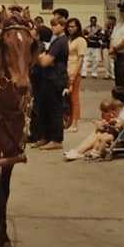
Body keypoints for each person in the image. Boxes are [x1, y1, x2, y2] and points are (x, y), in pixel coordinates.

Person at [32, 15, 68, 150]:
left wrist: (41, 57)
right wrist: (43, 57)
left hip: (56, 79)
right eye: (52, 24)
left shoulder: (61, 42)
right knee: (44, 109)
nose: (53, 27)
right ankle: (46, 136)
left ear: (62, 26)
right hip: (48, 78)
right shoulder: (56, 41)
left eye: (56, 25)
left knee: (55, 110)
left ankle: (57, 139)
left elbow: (46, 61)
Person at [64, 17, 87, 133]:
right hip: (66, 70)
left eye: (73, 26)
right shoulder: (68, 39)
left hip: (74, 71)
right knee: (67, 98)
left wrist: (74, 74)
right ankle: (68, 121)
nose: (70, 29)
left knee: (74, 98)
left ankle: (75, 123)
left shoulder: (81, 41)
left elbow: (80, 59)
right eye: (68, 26)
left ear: (77, 27)